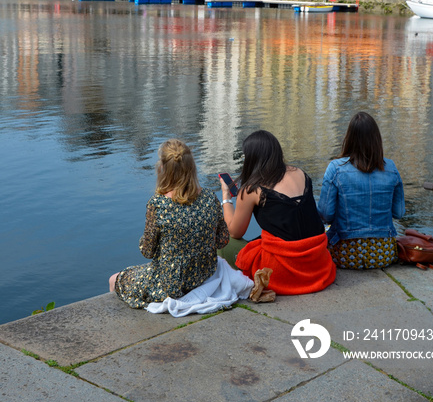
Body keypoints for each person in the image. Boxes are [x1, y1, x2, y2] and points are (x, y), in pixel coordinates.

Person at [109, 139, 230, 308]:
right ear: (192, 167)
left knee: (115, 279)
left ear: (163, 169)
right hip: (205, 274)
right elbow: (222, 240)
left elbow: (147, 252)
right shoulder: (210, 198)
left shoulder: (158, 204)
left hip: (171, 285)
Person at [220, 130, 336, 295]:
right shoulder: (301, 174)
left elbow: (234, 232)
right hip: (317, 265)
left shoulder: (252, 189)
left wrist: (226, 196)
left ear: (251, 158)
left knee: (225, 243)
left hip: (282, 270)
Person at [318, 112, 405, 270]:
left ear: (349, 138)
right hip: (383, 254)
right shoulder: (391, 168)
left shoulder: (336, 168)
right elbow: (399, 213)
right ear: (377, 139)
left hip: (343, 253)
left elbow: (325, 215)